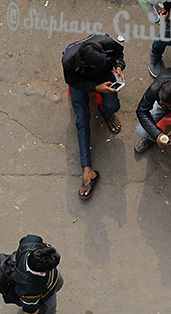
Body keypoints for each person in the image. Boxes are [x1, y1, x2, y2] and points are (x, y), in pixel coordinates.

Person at [61, 34, 126, 199]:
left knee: (113, 106)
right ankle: (87, 170)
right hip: (80, 82)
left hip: (103, 77)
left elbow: (119, 54)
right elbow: (75, 83)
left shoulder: (106, 43)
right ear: (84, 63)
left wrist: (118, 67)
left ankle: (106, 113)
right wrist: (96, 88)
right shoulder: (69, 61)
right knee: (82, 120)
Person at [4, 235, 71, 314]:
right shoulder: (29, 290)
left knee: (58, 283)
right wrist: (44, 308)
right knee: (50, 307)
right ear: (43, 272)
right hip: (43, 294)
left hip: (49, 284)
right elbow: (30, 310)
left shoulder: (31, 241)